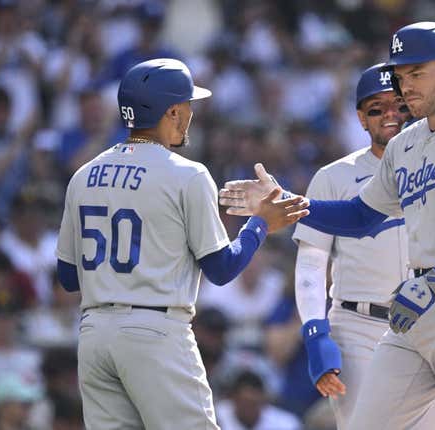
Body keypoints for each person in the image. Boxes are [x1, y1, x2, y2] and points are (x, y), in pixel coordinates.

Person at [219, 22, 435, 430]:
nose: (406, 86)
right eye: (401, 76)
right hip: (414, 309)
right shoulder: (405, 144)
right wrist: (290, 205)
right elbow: (361, 216)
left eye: (417, 73)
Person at [55, 58, 309, 430]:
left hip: (94, 333)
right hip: (155, 330)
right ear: (172, 111)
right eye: (188, 105)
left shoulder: (83, 174)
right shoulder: (187, 174)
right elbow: (221, 269)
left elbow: (67, 277)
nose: (191, 113)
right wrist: (259, 225)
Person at [291, 63, 435, 429]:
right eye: (377, 108)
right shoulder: (334, 176)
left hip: (429, 322)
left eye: (399, 105)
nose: (390, 115)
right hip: (358, 325)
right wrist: (315, 331)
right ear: (361, 118)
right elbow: (312, 262)